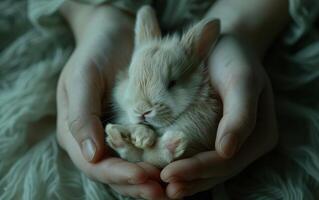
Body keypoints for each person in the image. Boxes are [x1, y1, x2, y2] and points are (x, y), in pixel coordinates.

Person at [55, 0, 288, 199]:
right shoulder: (134, 73)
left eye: (170, 85)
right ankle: (131, 145)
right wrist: (99, 18)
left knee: (191, 132)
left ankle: (156, 151)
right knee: (128, 121)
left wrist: (241, 28)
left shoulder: (203, 90)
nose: (144, 108)